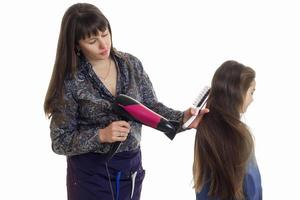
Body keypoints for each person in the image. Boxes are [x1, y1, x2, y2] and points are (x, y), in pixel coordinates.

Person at [44, 3, 208, 200]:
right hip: (90, 174)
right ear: (76, 45)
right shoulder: (69, 81)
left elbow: (151, 108)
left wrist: (184, 119)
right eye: (92, 40)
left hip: (130, 169)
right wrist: (101, 135)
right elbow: (59, 141)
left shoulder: (131, 65)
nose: (103, 45)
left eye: (105, 34)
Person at [193, 60, 262, 200]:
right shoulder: (241, 134)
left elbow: (201, 189)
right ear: (237, 93)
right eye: (251, 92)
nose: (252, 99)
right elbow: (253, 188)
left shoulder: (204, 130)